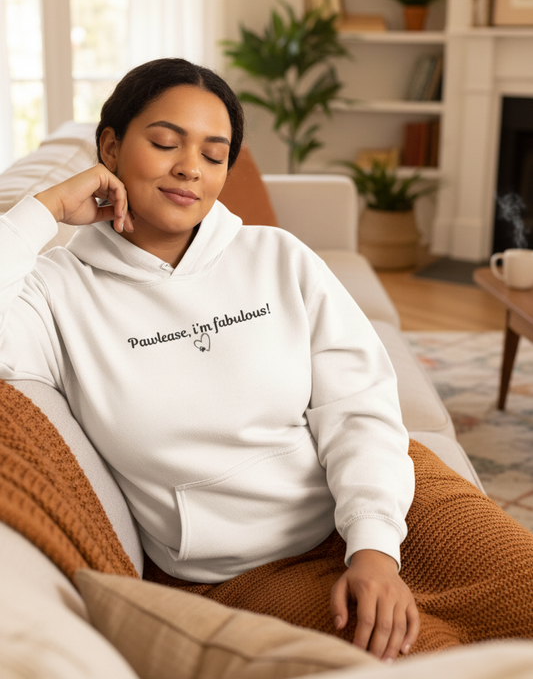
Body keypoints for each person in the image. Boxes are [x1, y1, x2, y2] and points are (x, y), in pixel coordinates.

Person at [0, 58, 420, 660]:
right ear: (111, 148)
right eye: (166, 142)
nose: (189, 168)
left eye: (214, 154)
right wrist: (41, 212)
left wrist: (376, 549)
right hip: (236, 576)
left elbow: (357, 404)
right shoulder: (55, 293)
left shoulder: (278, 256)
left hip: (378, 511)